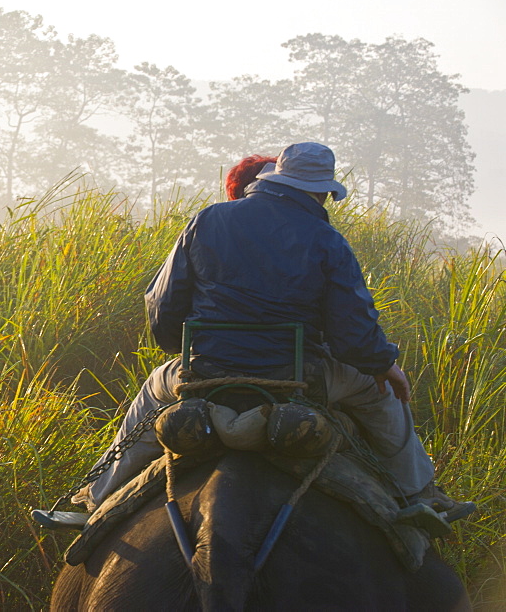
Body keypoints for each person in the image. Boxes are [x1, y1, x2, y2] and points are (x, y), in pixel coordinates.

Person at [75, 142, 466, 517]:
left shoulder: (208, 219)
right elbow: (354, 333)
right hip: (298, 379)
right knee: (381, 396)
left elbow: (161, 306)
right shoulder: (328, 240)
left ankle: (97, 496)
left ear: (275, 178)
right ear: (322, 194)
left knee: (151, 393)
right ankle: (418, 493)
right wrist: (384, 365)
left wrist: (185, 351)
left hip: (205, 373)